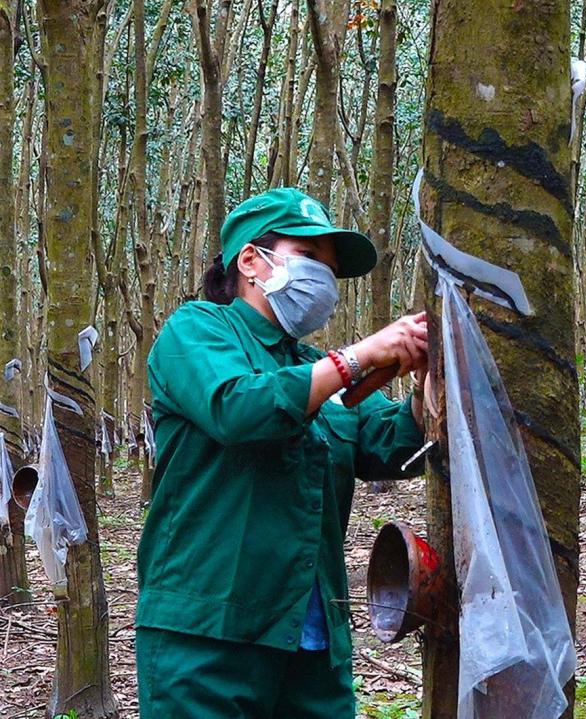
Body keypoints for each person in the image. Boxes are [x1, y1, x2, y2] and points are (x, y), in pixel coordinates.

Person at [135, 188, 433, 717]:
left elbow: (390, 444)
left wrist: (424, 385)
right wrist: (359, 356)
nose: (323, 279)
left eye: (330, 269)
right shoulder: (196, 331)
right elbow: (238, 409)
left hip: (313, 642)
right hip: (208, 637)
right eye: (310, 257)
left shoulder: (313, 362)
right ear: (251, 260)